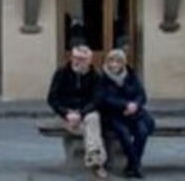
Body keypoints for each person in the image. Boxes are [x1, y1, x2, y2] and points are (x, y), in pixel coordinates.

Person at [48, 43, 108, 180]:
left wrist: (81, 114)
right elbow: (52, 99)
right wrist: (66, 113)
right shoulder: (61, 73)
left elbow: (96, 100)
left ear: (89, 61)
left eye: (82, 59)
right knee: (91, 129)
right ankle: (97, 162)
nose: (77, 61)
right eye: (75, 58)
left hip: (86, 112)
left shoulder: (95, 76)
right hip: (66, 113)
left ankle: (95, 159)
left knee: (93, 119)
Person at [96, 49, 154, 179]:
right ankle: (136, 166)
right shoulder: (102, 78)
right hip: (113, 114)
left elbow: (141, 95)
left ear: (123, 63)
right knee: (124, 135)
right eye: (111, 61)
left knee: (142, 132)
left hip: (134, 113)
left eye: (118, 61)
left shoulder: (131, 76)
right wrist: (125, 105)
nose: (114, 64)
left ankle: (131, 166)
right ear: (107, 62)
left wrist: (135, 105)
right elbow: (104, 98)